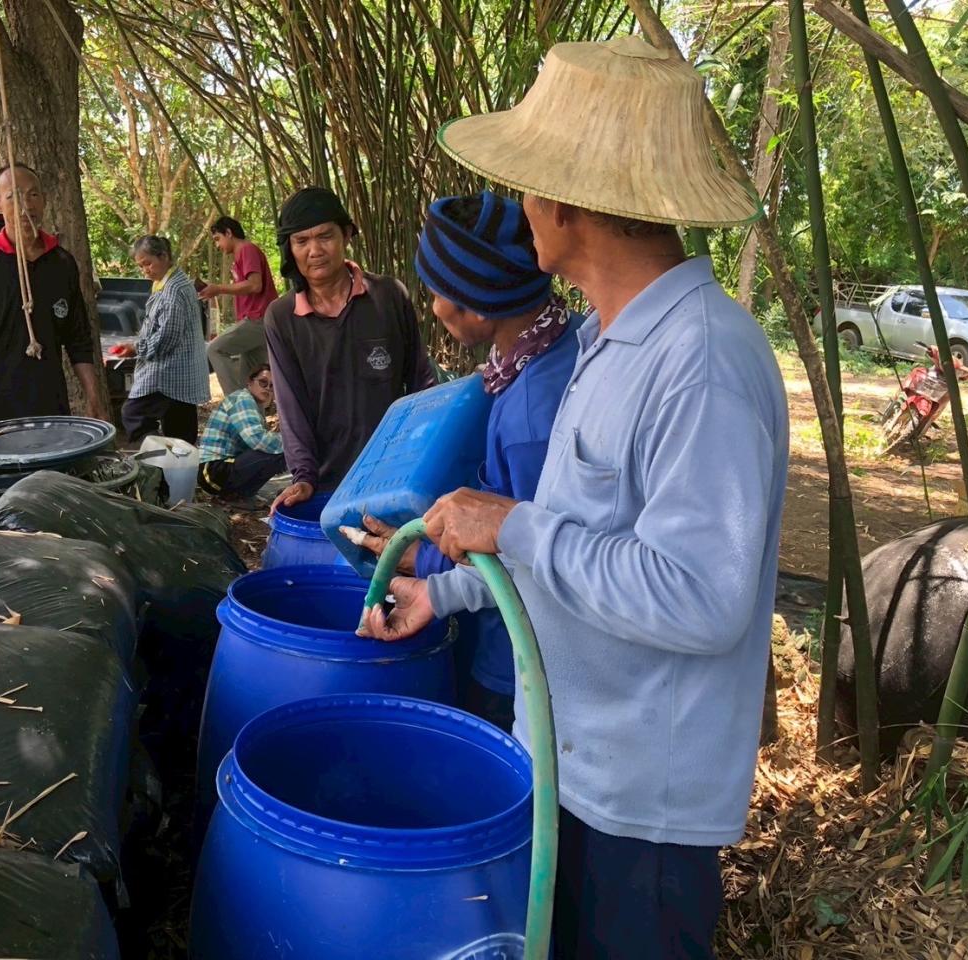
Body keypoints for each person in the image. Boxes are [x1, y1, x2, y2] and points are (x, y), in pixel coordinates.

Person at [360, 36, 786, 960]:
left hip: (643, 807)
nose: (522, 209)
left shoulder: (701, 360)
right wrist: (451, 587)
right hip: (572, 762)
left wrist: (513, 521)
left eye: (526, 187)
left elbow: (700, 598)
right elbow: (574, 552)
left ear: (564, 200)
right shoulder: (602, 342)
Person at [346, 191, 579, 731]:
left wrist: (420, 561)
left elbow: (530, 556)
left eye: (435, 293)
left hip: (518, 659)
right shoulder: (549, 349)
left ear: (476, 305)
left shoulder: (530, 419)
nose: (431, 308)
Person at [265, 187, 435, 511]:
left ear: (346, 234)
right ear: (290, 248)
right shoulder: (282, 317)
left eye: (325, 236)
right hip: (327, 483)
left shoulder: (388, 296)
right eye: (301, 241)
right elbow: (291, 406)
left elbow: (420, 383)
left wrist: (422, 456)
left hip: (393, 476)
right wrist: (304, 476)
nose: (315, 250)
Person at [0, 163, 105, 431]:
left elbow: (78, 338)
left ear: (44, 201)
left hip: (52, 407)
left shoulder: (62, 263)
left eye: (33, 195)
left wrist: (94, 399)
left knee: (51, 473)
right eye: (13, 196)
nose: (26, 205)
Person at [122, 235, 211, 445]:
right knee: (180, 434)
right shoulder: (170, 282)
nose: (145, 271)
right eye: (141, 266)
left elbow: (165, 340)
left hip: (170, 374)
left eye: (148, 264)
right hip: (182, 374)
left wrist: (136, 348)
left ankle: (160, 457)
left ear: (164, 257)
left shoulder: (174, 290)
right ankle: (174, 473)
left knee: (133, 414)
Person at [199, 216, 279, 395]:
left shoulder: (246, 249)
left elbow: (255, 284)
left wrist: (218, 288)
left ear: (229, 232)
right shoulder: (240, 255)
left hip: (258, 319)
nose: (218, 246)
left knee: (215, 348)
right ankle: (250, 415)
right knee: (250, 384)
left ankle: (237, 404)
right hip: (259, 321)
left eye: (218, 239)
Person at [197, 363, 286, 502]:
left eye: (272, 386)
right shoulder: (243, 399)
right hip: (213, 472)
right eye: (263, 382)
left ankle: (240, 496)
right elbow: (258, 439)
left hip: (218, 471)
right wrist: (293, 442)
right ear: (250, 382)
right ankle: (242, 496)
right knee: (279, 450)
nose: (268, 388)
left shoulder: (252, 404)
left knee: (278, 451)